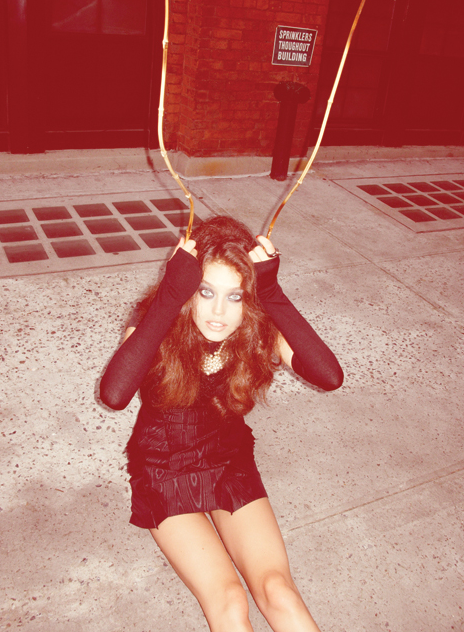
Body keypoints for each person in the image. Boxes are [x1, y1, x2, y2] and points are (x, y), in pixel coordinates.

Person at [100, 215, 343, 632]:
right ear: (188, 289)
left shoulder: (257, 325)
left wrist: (272, 293)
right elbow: (115, 393)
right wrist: (170, 295)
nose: (218, 312)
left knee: (278, 590)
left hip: (228, 459)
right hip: (163, 468)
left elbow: (329, 376)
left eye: (235, 296)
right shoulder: (160, 316)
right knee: (229, 600)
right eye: (206, 291)